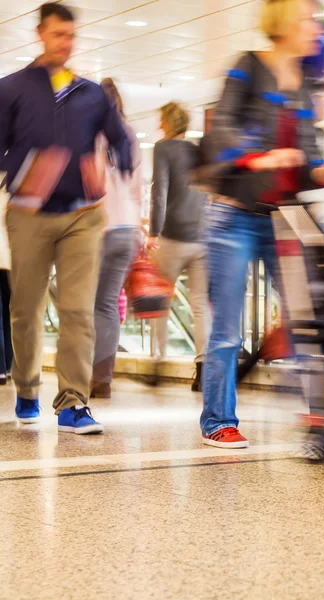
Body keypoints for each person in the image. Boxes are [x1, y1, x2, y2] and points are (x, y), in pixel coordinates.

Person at [200, 0, 324, 448]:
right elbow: (221, 130)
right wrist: (259, 156)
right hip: (232, 217)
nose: (315, 28)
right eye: (308, 19)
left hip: (282, 219)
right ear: (285, 22)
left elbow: (307, 153)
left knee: (306, 317)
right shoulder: (247, 68)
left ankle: (319, 410)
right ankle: (217, 421)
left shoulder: (303, 83)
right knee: (227, 328)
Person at [0, 3, 132, 433]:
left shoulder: (92, 93)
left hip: (83, 216)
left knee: (77, 310)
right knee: (25, 309)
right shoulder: (12, 89)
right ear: (40, 34)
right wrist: (26, 171)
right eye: (58, 35)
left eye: (71, 36)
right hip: (28, 214)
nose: (65, 43)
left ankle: (73, 403)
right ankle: (26, 387)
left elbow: (120, 140)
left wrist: (116, 162)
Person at [148, 102, 210, 391]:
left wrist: (153, 232)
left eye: (161, 119)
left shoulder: (163, 148)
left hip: (172, 236)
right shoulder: (197, 149)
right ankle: (202, 369)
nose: (159, 125)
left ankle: (158, 364)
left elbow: (159, 192)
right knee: (199, 305)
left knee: (161, 301)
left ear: (167, 122)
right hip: (202, 237)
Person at [90, 78, 142, 400]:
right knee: (108, 304)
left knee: (87, 305)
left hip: (99, 228)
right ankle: (103, 379)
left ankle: (85, 374)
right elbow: (137, 188)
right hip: (128, 230)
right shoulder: (130, 135)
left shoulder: (93, 134)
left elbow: (91, 185)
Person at [0, 185, 12, 385]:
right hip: (13, 257)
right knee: (10, 314)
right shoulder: (14, 183)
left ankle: (1, 368)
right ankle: (9, 366)